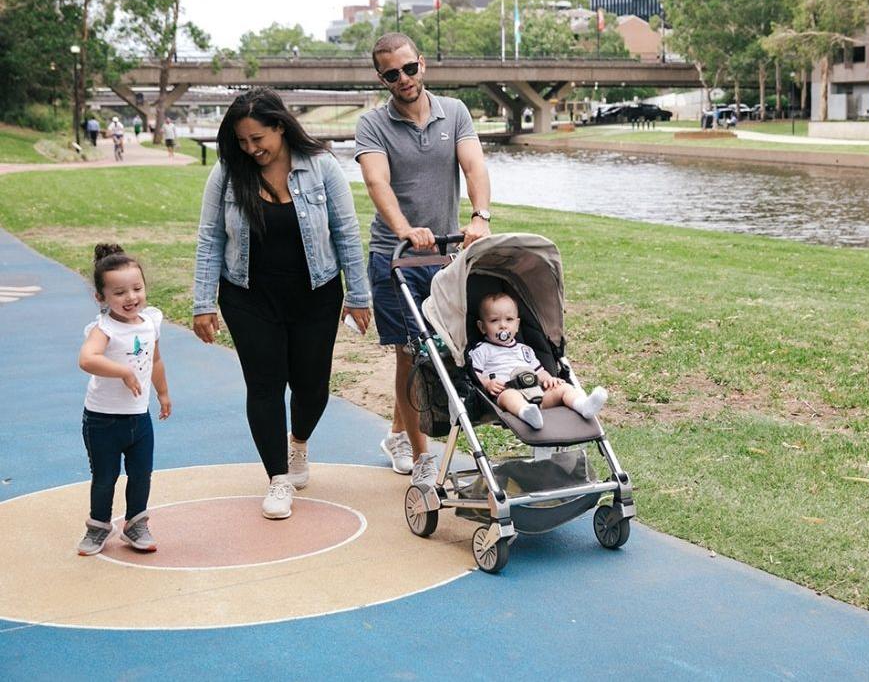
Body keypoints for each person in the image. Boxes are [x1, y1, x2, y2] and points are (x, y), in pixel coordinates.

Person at [192, 87, 371, 520]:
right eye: (242, 141)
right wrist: (203, 302)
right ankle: (277, 479)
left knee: (313, 387)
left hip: (315, 293)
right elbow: (210, 237)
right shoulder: (227, 173)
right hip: (248, 296)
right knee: (265, 385)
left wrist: (358, 295)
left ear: (280, 126)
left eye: (258, 139)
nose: (251, 149)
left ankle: (299, 443)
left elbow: (346, 234)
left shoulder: (322, 166)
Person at [355, 32, 491, 485]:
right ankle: (421, 455)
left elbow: (473, 167)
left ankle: (398, 432)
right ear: (382, 78)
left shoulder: (455, 112)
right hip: (395, 256)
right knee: (411, 355)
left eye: (409, 69)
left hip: (447, 253)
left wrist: (481, 216)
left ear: (422, 64)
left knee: (441, 351)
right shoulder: (373, 125)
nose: (403, 79)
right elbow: (378, 184)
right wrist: (404, 230)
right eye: (392, 74)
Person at [76, 243, 171, 556]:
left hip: (138, 417)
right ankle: (99, 526)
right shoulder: (104, 328)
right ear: (101, 298)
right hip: (103, 419)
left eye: (137, 288)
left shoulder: (150, 322)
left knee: (142, 473)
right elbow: (87, 359)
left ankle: (135, 523)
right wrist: (122, 371)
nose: (131, 298)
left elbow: (155, 361)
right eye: (119, 293)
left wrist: (162, 392)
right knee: (105, 477)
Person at [469, 292, 607, 430]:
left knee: (563, 388)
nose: (503, 326)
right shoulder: (482, 350)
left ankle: (583, 405)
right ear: (482, 327)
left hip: (537, 393)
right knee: (509, 396)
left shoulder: (525, 350)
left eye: (509, 319)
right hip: (505, 394)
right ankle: (526, 413)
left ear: (517, 325)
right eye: (494, 321)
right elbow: (474, 375)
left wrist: (549, 379)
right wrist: (487, 383)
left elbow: (539, 371)